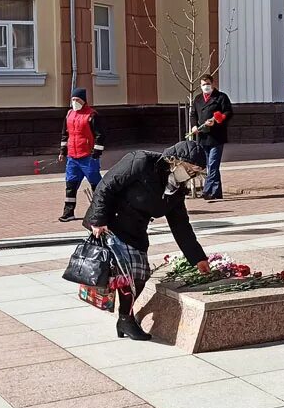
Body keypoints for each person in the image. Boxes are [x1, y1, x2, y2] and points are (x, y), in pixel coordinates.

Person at [84, 140, 212, 341]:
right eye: (190, 169)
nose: (191, 175)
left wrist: (198, 258)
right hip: (110, 222)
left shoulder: (176, 190)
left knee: (139, 275)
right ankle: (126, 319)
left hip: (135, 229)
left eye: (196, 173)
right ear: (176, 162)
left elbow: (180, 226)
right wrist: (98, 220)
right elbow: (106, 186)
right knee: (133, 273)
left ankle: (124, 319)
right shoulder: (141, 161)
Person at [58, 88, 104, 222]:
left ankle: (100, 211)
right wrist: (62, 152)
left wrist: (96, 153)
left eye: (77, 100)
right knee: (70, 186)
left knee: (96, 185)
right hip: (72, 158)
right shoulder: (69, 114)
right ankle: (68, 212)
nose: (74, 102)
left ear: (83, 101)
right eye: (73, 100)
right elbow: (65, 135)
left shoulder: (91, 115)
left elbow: (100, 135)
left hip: (88, 157)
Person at [191, 74, 233, 200]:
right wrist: (194, 126)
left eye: (208, 84)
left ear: (213, 84)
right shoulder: (198, 99)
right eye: (203, 84)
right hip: (203, 137)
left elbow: (228, 112)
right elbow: (193, 115)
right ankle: (216, 193)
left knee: (213, 164)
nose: (206, 86)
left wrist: (217, 120)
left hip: (216, 137)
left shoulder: (221, 97)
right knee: (209, 165)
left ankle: (207, 190)